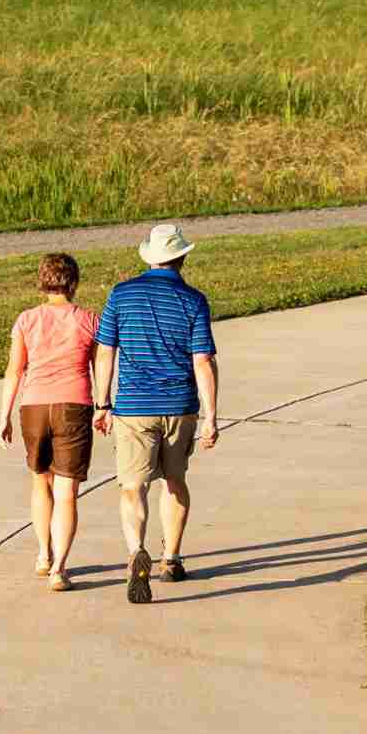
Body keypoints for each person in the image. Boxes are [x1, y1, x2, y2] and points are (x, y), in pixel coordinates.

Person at [92, 222, 220, 605]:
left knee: (133, 486)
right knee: (174, 482)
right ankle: (172, 558)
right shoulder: (194, 300)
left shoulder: (121, 295)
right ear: (181, 257)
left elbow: (105, 352)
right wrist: (211, 416)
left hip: (133, 407)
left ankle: (136, 551)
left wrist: (102, 403)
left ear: (149, 257)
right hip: (180, 407)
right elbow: (203, 362)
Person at [0, 252, 98, 592]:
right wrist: (104, 405)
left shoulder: (26, 320)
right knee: (67, 491)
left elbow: (15, 370)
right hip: (75, 404)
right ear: (74, 281)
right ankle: (59, 568)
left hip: (34, 406)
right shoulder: (89, 320)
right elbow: (100, 368)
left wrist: (5, 414)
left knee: (41, 482)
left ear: (41, 282)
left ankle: (42, 553)